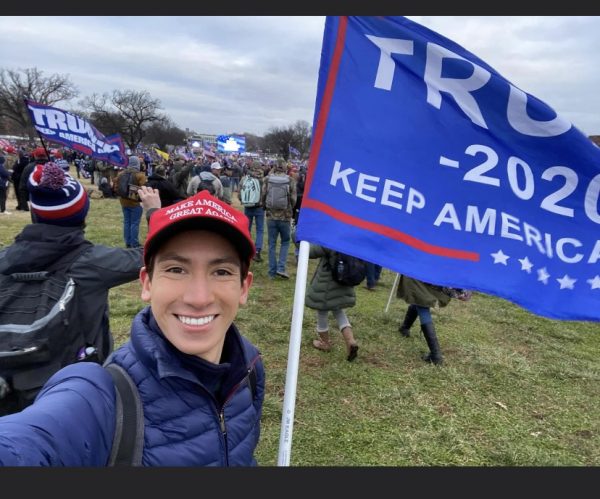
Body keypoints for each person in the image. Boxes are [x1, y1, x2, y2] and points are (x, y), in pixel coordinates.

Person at [0, 188, 265, 466]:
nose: (198, 298)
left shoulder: (249, 367)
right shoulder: (100, 397)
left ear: (244, 288)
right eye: (176, 269)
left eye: (221, 272)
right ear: (147, 283)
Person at [0, 162, 144, 413]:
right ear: (81, 215)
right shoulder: (93, 264)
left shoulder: (3, 259)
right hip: (76, 393)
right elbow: (152, 256)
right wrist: (154, 212)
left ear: (34, 212)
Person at [305, 244, 359, 362]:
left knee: (322, 312)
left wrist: (295, 232)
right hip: (343, 282)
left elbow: (309, 252)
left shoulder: (331, 240)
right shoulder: (351, 239)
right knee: (339, 312)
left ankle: (324, 343)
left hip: (327, 285)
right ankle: (351, 341)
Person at [396, 275, 451, 365]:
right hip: (438, 273)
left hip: (423, 271)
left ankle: (436, 355)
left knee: (422, 302)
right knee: (418, 298)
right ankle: (405, 328)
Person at [262, 160, 296, 279]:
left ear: (275, 167)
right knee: (285, 242)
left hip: (271, 215)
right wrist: (290, 209)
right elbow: (293, 198)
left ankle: (272, 272)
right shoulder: (290, 180)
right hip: (285, 216)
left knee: (271, 243)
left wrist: (264, 206)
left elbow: (264, 194)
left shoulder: (267, 179)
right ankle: (281, 268)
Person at [114, 155, 147, 248]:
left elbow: (116, 187)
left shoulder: (120, 174)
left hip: (123, 201)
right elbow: (144, 187)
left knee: (127, 222)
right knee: (135, 223)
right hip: (135, 202)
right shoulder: (140, 175)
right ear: (137, 163)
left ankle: (127, 242)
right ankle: (134, 243)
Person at [238, 161, 266, 263]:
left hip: (248, 206)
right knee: (260, 230)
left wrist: (243, 200)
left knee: (247, 228)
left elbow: (240, 190)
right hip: (259, 207)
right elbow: (265, 193)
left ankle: (247, 249)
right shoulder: (263, 179)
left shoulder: (245, 178)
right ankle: (257, 251)